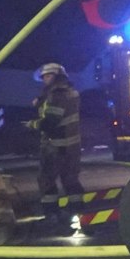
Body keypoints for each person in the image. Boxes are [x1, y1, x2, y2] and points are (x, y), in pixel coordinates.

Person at [27, 62, 84, 203]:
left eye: (48, 75)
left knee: (46, 180)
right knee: (71, 180)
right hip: (72, 146)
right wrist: (42, 100)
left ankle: (51, 216)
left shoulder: (56, 96)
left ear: (57, 77)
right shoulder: (71, 93)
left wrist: (32, 124)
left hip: (55, 146)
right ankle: (78, 213)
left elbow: (50, 122)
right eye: (44, 76)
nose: (45, 79)